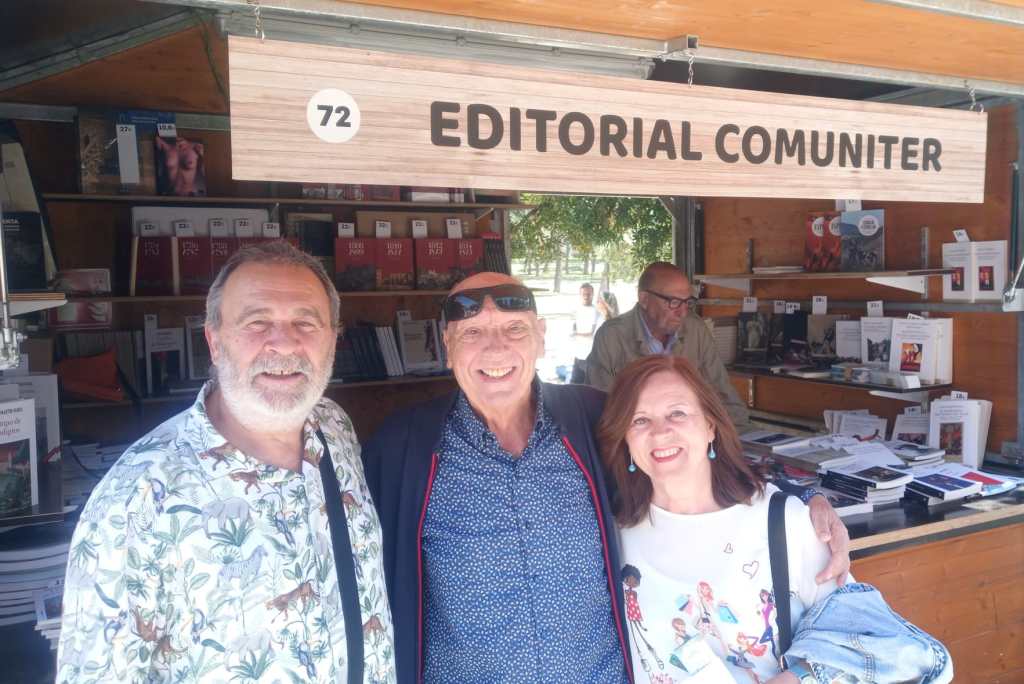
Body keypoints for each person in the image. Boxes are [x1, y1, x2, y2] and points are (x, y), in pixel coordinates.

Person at [361, 272, 849, 684]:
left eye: (514, 328)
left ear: (541, 337)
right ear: (446, 346)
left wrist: (805, 507)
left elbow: (682, 462)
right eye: (472, 333)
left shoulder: (591, 420)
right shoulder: (403, 448)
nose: (496, 347)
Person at [56, 242, 396, 683]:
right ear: (213, 340)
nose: (284, 342)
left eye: (305, 322)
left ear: (333, 337)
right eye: (257, 322)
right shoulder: (135, 500)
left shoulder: (334, 428)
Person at [597, 355, 952, 684]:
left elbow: (864, 636)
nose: (660, 432)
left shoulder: (784, 520)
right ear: (625, 438)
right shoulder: (611, 535)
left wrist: (798, 677)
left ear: (710, 426)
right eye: (639, 420)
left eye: (677, 413)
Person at [587, 261, 750, 427]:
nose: (683, 312)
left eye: (687, 302)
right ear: (644, 299)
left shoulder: (695, 329)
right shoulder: (611, 337)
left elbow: (725, 398)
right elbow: (601, 412)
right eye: (673, 302)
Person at [570, 282, 602, 383]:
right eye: (584, 294)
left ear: (593, 294)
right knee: (574, 384)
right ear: (580, 295)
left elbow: (591, 333)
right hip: (578, 355)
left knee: (587, 386)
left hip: (590, 357)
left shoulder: (596, 312)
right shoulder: (576, 310)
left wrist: (576, 334)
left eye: (589, 294)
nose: (586, 296)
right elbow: (574, 326)